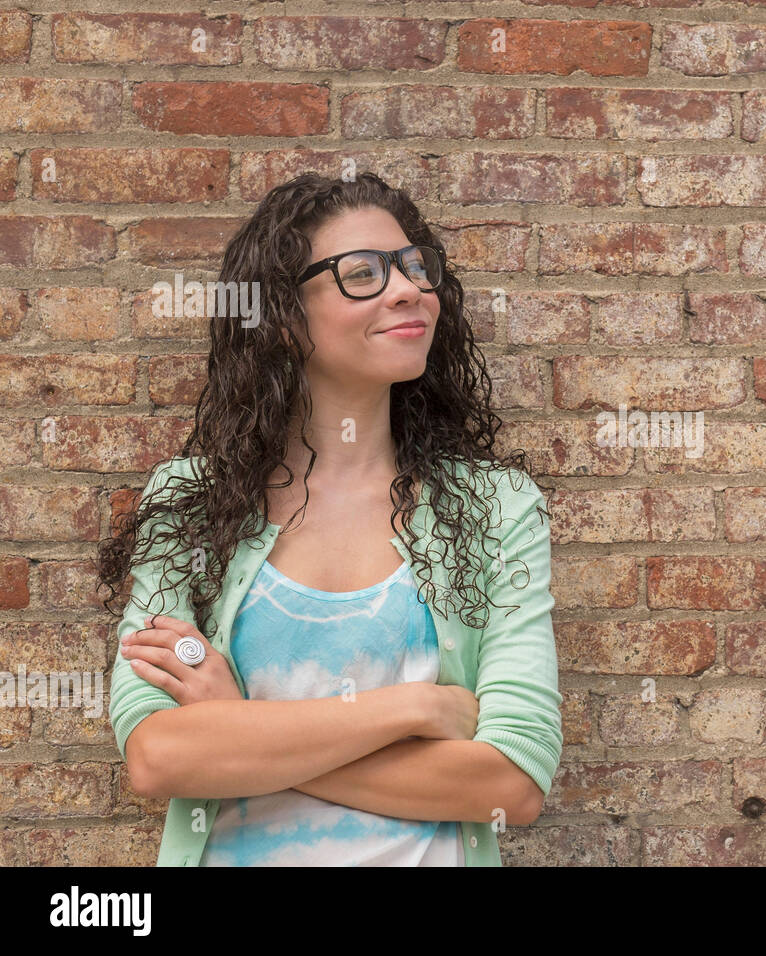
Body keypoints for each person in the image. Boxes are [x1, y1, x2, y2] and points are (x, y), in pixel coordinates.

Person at [97, 172, 563, 866]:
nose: (408, 290)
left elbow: (510, 782)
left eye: (413, 267)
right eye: (362, 274)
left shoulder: (495, 509)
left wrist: (240, 731)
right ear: (285, 314)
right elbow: (159, 758)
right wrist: (411, 711)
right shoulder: (190, 504)